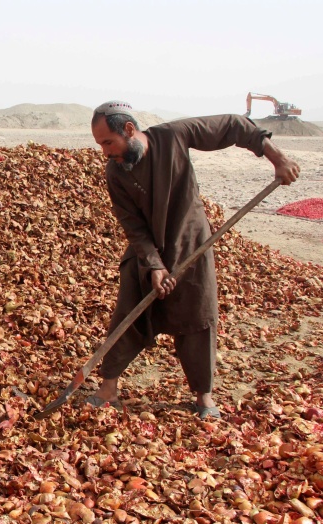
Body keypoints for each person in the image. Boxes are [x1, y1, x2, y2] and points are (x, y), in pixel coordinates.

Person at [87, 101, 300, 419]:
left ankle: (204, 397)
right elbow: (132, 225)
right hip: (148, 251)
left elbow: (233, 125)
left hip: (191, 245)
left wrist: (277, 157)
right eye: (100, 145)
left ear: (129, 130)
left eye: (108, 142)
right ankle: (108, 389)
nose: (105, 152)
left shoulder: (174, 136)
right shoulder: (115, 172)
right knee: (129, 312)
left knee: (198, 316)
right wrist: (154, 265)